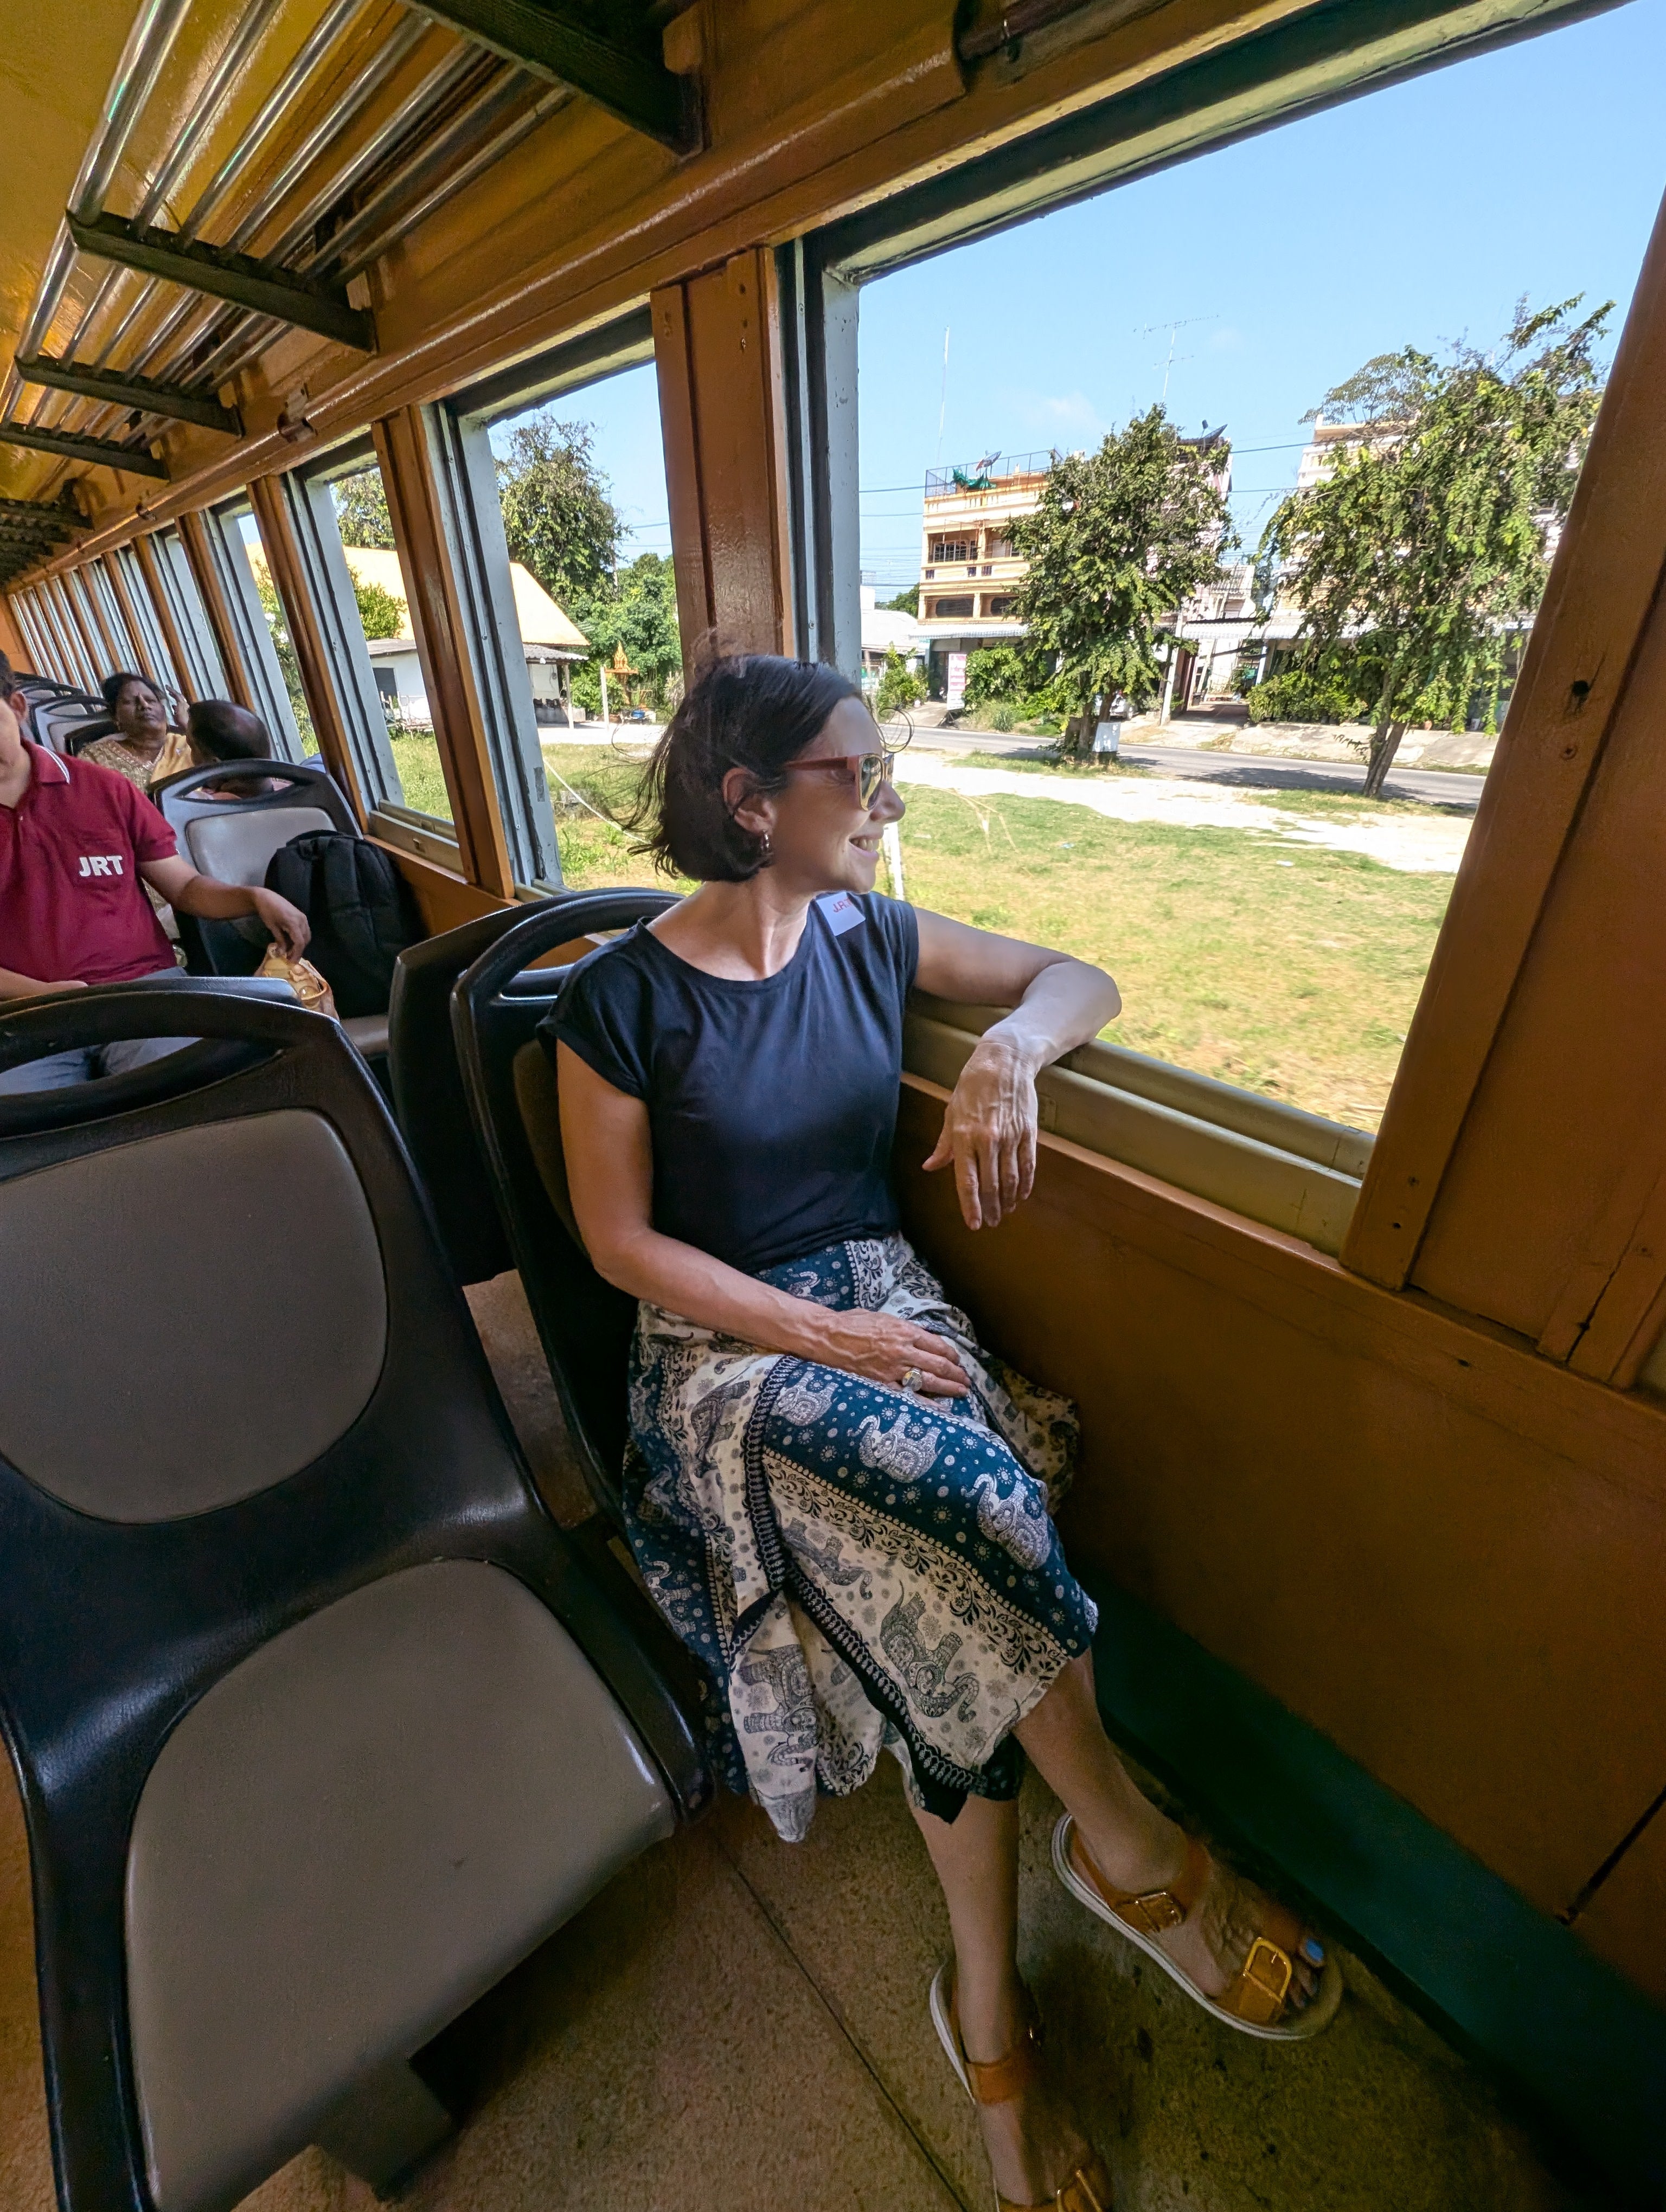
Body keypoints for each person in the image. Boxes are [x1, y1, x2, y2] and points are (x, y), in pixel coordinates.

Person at [549, 655, 1339, 2212]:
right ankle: (1123, 1847)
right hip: (729, 1357)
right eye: (861, 770)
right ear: (750, 802)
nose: (888, 795)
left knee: (947, 1603)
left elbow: (1078, 978)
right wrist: (825, 1332)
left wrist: (1005, 1055)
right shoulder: (618, 1001)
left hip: (876, 1302)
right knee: (988, 1500)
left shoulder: (872, 934)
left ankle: (987, 2015)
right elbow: (620, 1246)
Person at [0, 653, 311, 1093]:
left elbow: (183, 887)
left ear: (16, 707)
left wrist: (253, 897)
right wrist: (40, 994)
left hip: (141, 993)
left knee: (206, 1100)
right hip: (22, 1015)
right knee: (31, 1141)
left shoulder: (103, 789)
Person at [81, 671, 179, 790]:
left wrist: (187, 725)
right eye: (130, 702)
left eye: (151, 700)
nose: (144, 705)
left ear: (163, 708)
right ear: (115, 716)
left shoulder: (188, 746)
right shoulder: (95, 758)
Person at [183, 698, 285, 799]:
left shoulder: (201, 808)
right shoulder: (294, 791)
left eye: (192, 747)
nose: (190, 755)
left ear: (215, 766)